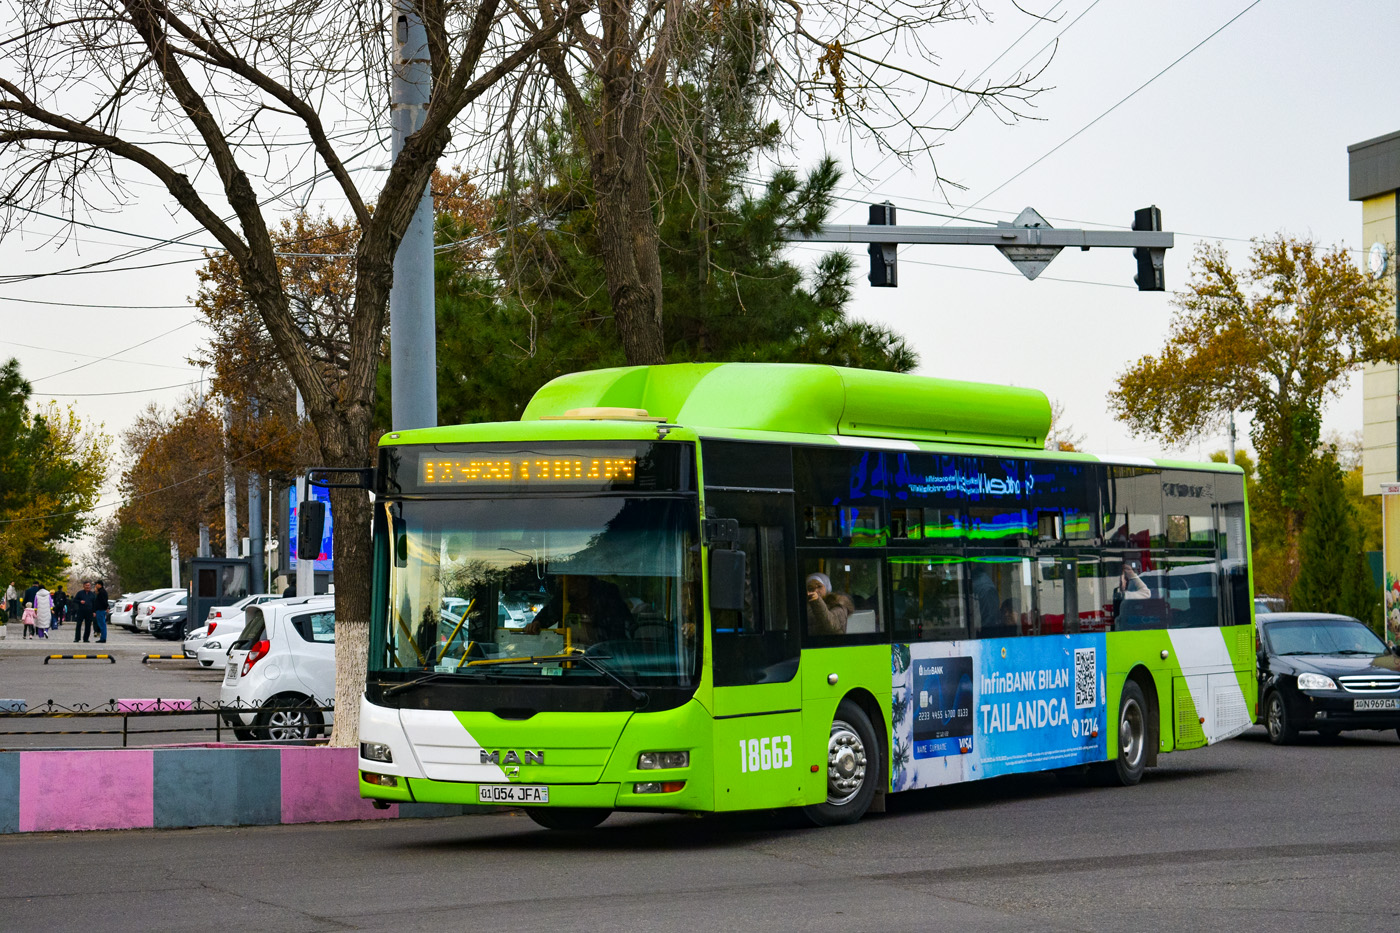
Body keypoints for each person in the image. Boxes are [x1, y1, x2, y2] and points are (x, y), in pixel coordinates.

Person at [524, 575, 633, 644]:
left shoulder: (607, 592)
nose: (561, 584)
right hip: (570, 655)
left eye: (565, 579)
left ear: (582, 578)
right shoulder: (564, 596)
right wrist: (537, 623)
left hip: (604, 656)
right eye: (560, 581)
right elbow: (548, 614)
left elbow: (622, 623)